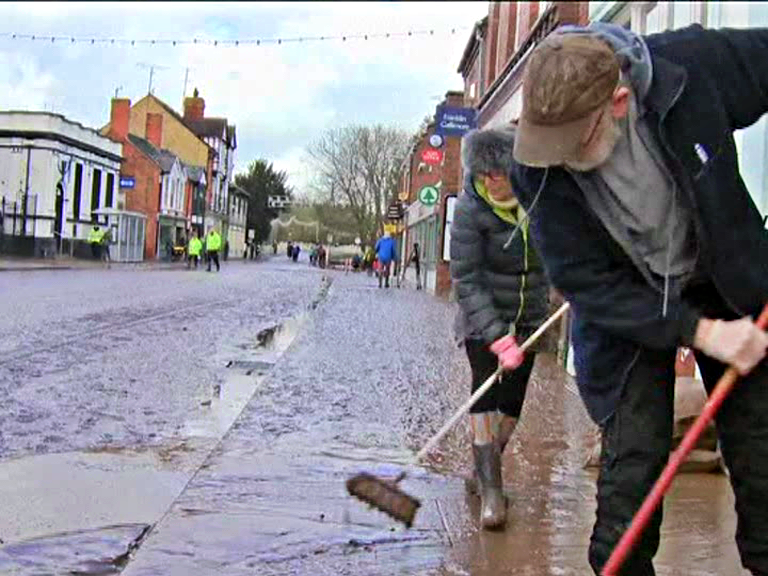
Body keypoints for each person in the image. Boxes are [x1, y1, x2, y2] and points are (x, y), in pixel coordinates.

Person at [509, 23, 768, 574]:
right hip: (624, 307)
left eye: (571, 145)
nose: (552, 159)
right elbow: (587, 283)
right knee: (633, 468)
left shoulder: (691, 70)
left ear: (619, 102)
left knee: (763, 456)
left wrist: (720, 326)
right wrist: (698, 333)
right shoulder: (536, 163)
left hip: (725, 280)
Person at [450, 126, 549, 530]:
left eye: (499, 171)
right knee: (486, 396)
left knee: (512, 405)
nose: (491, 179)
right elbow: (466, 277)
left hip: (529, 318)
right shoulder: (471, 210)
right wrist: (495, 334)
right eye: (485, 172)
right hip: (482, 320)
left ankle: (482, 468)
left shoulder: (539, 201)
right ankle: (492, 489)